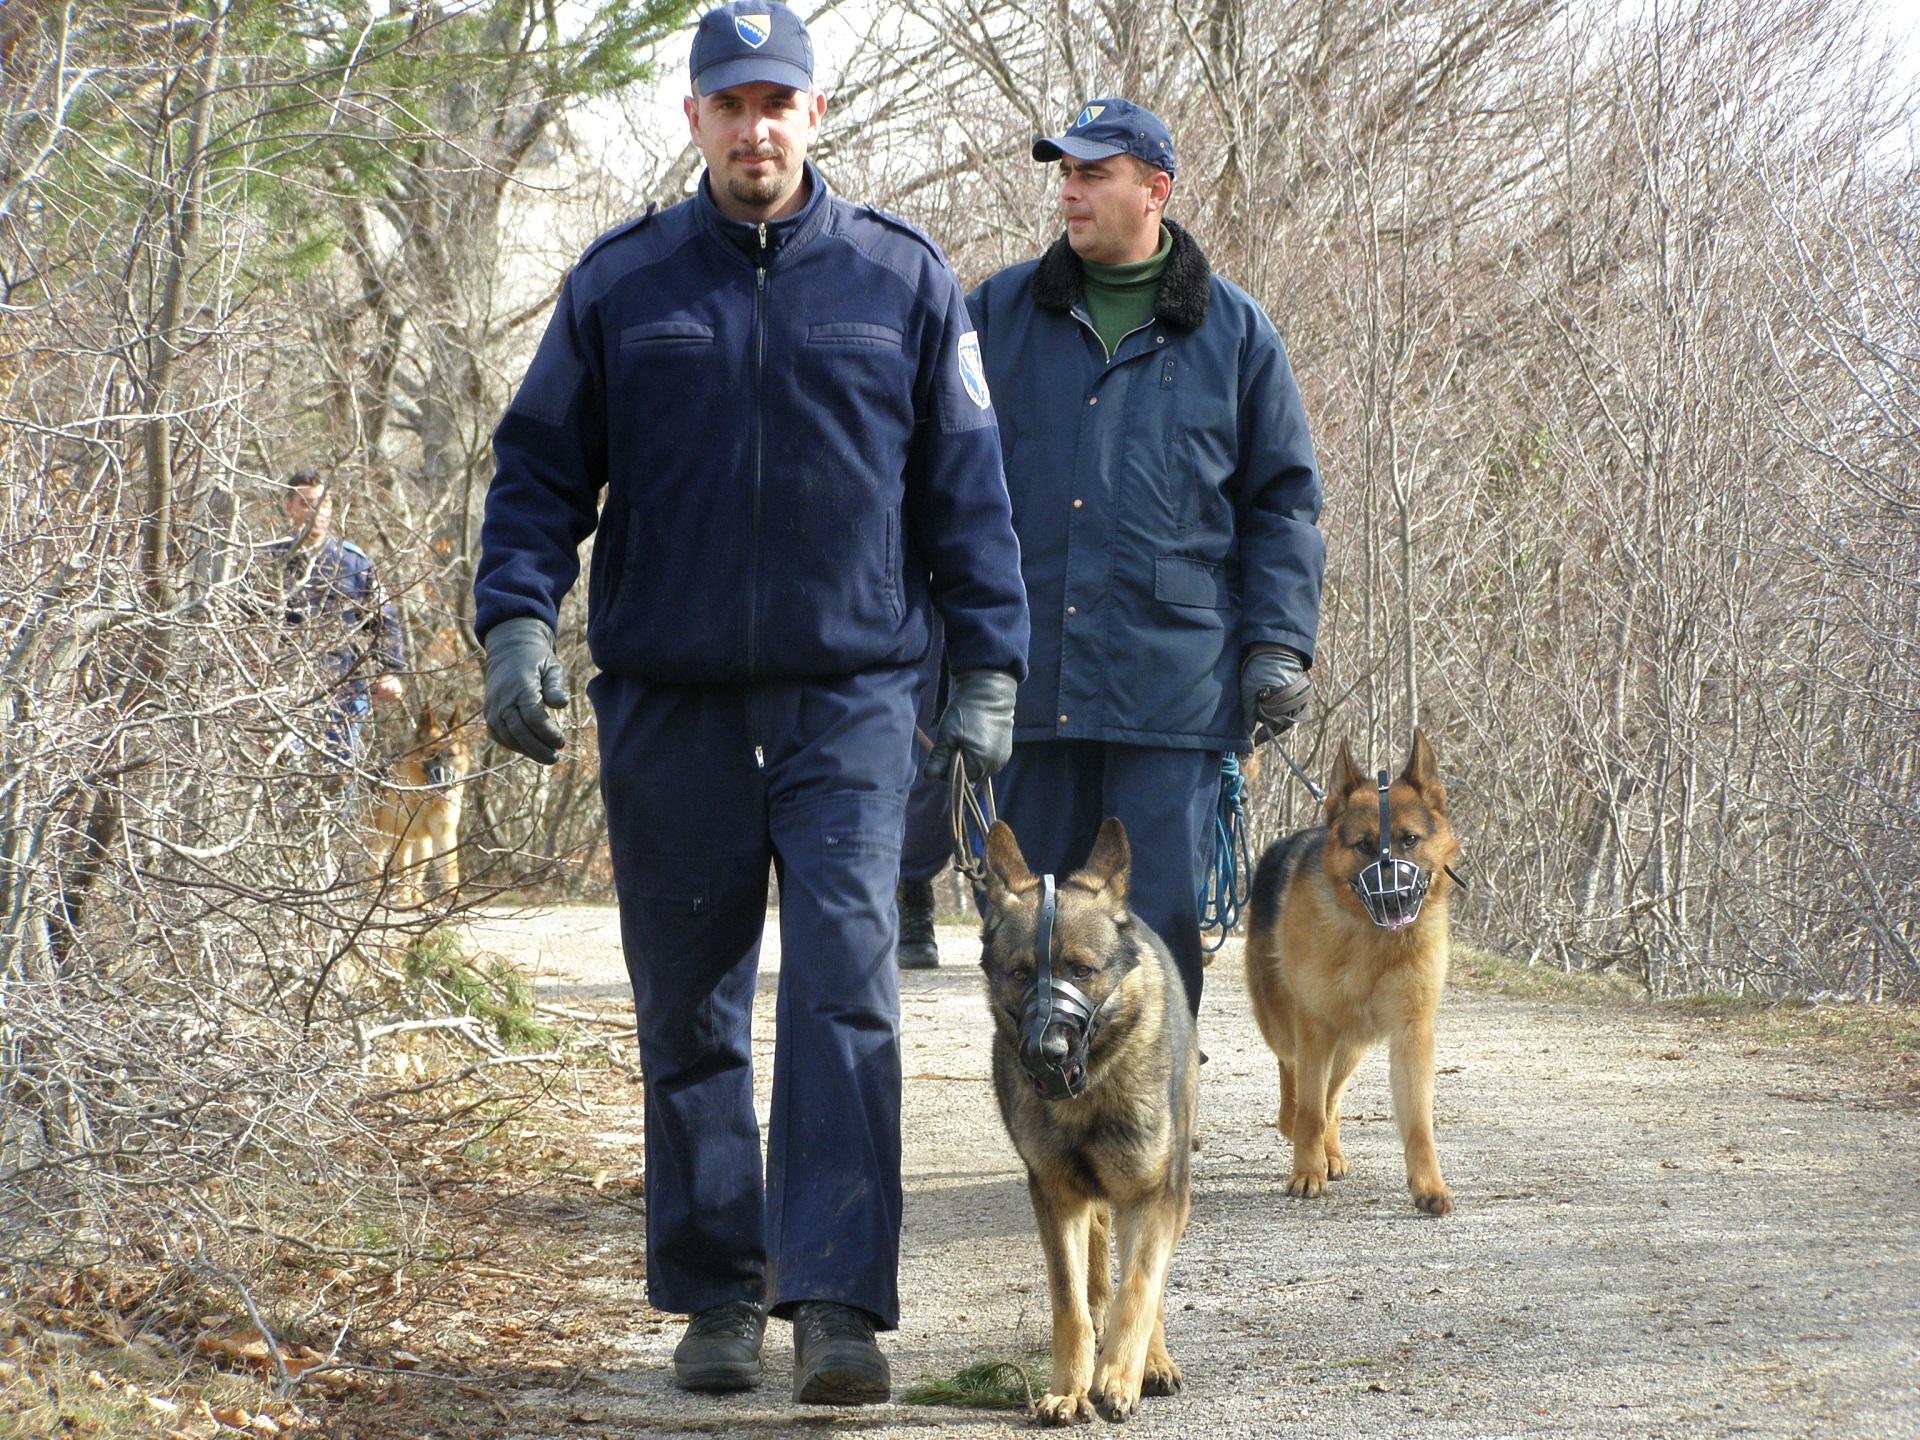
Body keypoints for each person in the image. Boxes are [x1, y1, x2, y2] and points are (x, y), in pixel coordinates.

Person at [472, 0, 1027, 1405]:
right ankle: (718, 1294)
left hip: (853, 702)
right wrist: (516, 620)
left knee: (848, 997)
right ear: (697, 120)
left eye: (780, 99)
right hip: (672, 703)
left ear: (817, 115)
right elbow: (538, 470)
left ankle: (837, 1302)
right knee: (692, 1007)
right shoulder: (623, 286)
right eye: (732, 102)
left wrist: (990, 669)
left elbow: (969, 494)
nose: (756, 125)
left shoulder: (905, 282)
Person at [966, 98, 1324, 1018]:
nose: (1069, 191)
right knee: (1031, 928)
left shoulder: (1236, 337)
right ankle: (1053, 1135)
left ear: (1154, 191)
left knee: (1154, 927)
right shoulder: (995, 316)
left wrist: (1278, 642)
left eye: (1092, 173)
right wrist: (943, 651)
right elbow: (934, 486)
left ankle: (1157, 1128)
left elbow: (1281, 502)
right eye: (1065, 173)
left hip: (1172, 690)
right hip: (1029, 677)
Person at [268, 471, 405, 767]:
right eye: (307, 504)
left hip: (344, 686)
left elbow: (384, 618)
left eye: (324, 504)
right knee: (288, 774)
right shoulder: (270, 560)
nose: (317, 513)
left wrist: (389, 670)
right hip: (286, 687)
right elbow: (247, 618)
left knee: (339, 774)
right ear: (289, 507)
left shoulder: (353, 562)